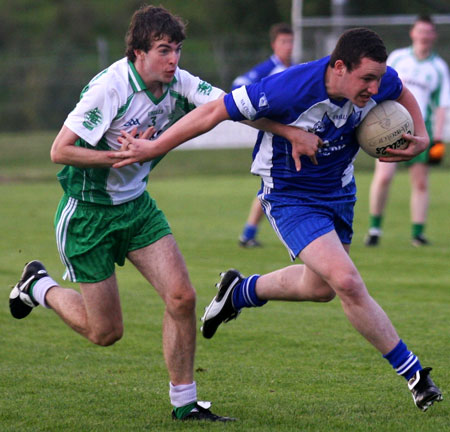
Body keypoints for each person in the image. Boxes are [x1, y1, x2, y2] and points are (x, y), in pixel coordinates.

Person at [113, 28, 443, 412]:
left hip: (339, 190)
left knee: (320, 288)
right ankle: (415, 375)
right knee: (347, 282)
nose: (374, 86)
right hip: (290, 196)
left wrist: (420, 135)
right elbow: (215, 111)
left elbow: (400, 90)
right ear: (339, 67)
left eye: (376, 78)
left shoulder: (378, 80)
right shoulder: (289, 87)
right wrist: (154, 146)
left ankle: (239, 292)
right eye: (366, 79)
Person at [8, 5, 237, 422]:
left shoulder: (179, 83)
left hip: (137, 209)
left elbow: (232, 107)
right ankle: (38, 286)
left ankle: (185, 404)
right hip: (88, 216)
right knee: (106, 333)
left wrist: (292, 130)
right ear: (138, 53)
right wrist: (120, 154)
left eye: (177, 50)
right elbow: (59, 150)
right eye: (164, 50)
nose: (173, 60)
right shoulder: (110, 88)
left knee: (182, 297)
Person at [365, 15, 450, 247]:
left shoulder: (439, 67)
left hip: (422, 128)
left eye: (428, 31)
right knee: (383, 177)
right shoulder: (398, 58)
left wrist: (438, 139)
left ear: (433, 35)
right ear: (413, 33)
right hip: (389, 127)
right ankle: (374, 230)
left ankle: (418, 233)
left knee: (420, 182)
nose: (424, 35)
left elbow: (442, 105)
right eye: (420, 31)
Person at [234, 23, 294, 248]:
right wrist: (261, 108)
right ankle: (250, 233)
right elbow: (238, 85)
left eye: (290, 42)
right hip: (275, 134)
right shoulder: (267, 69)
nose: (288, 46)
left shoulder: (294, 68)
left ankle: (249, 233)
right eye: (283, 42)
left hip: (291, 133)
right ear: (274, 44)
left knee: (277, 183)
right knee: (274, 183)